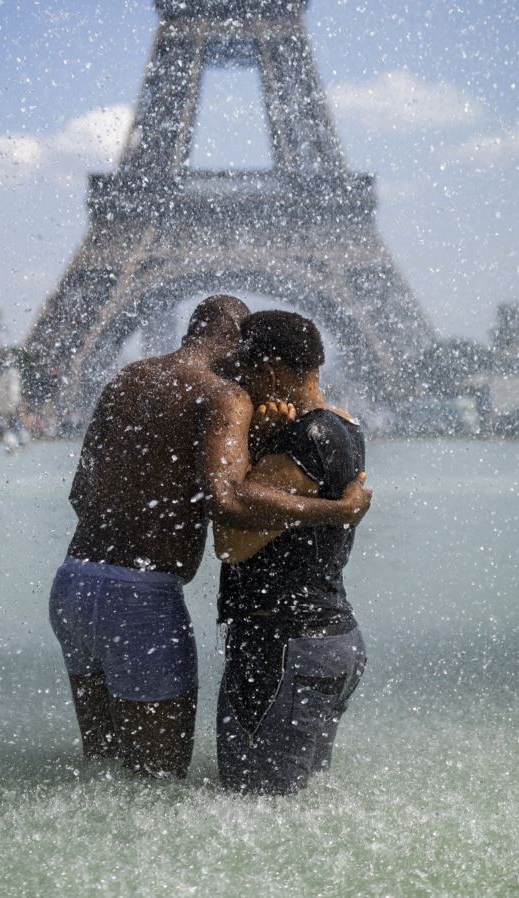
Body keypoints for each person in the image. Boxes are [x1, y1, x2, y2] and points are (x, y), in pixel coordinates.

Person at [50, 295, 372, 779]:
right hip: (141, 594)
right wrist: (336, 511)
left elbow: (80, 493)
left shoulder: (127, 379)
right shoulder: (224, 394)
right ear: (234, 345)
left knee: (103, 774)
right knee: (157, 785)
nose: (246, 370)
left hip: (73, 585)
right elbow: (227, 500)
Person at [212, 311, 367, 795]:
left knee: (259, 806)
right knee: (290, 811)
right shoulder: (345, 428)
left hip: (284, 647)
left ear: (275, 370)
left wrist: (257, 447)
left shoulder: (306, 438)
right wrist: (260, 442)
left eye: (247, 371)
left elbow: (230, 543)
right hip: (324, 640)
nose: (240, 384)